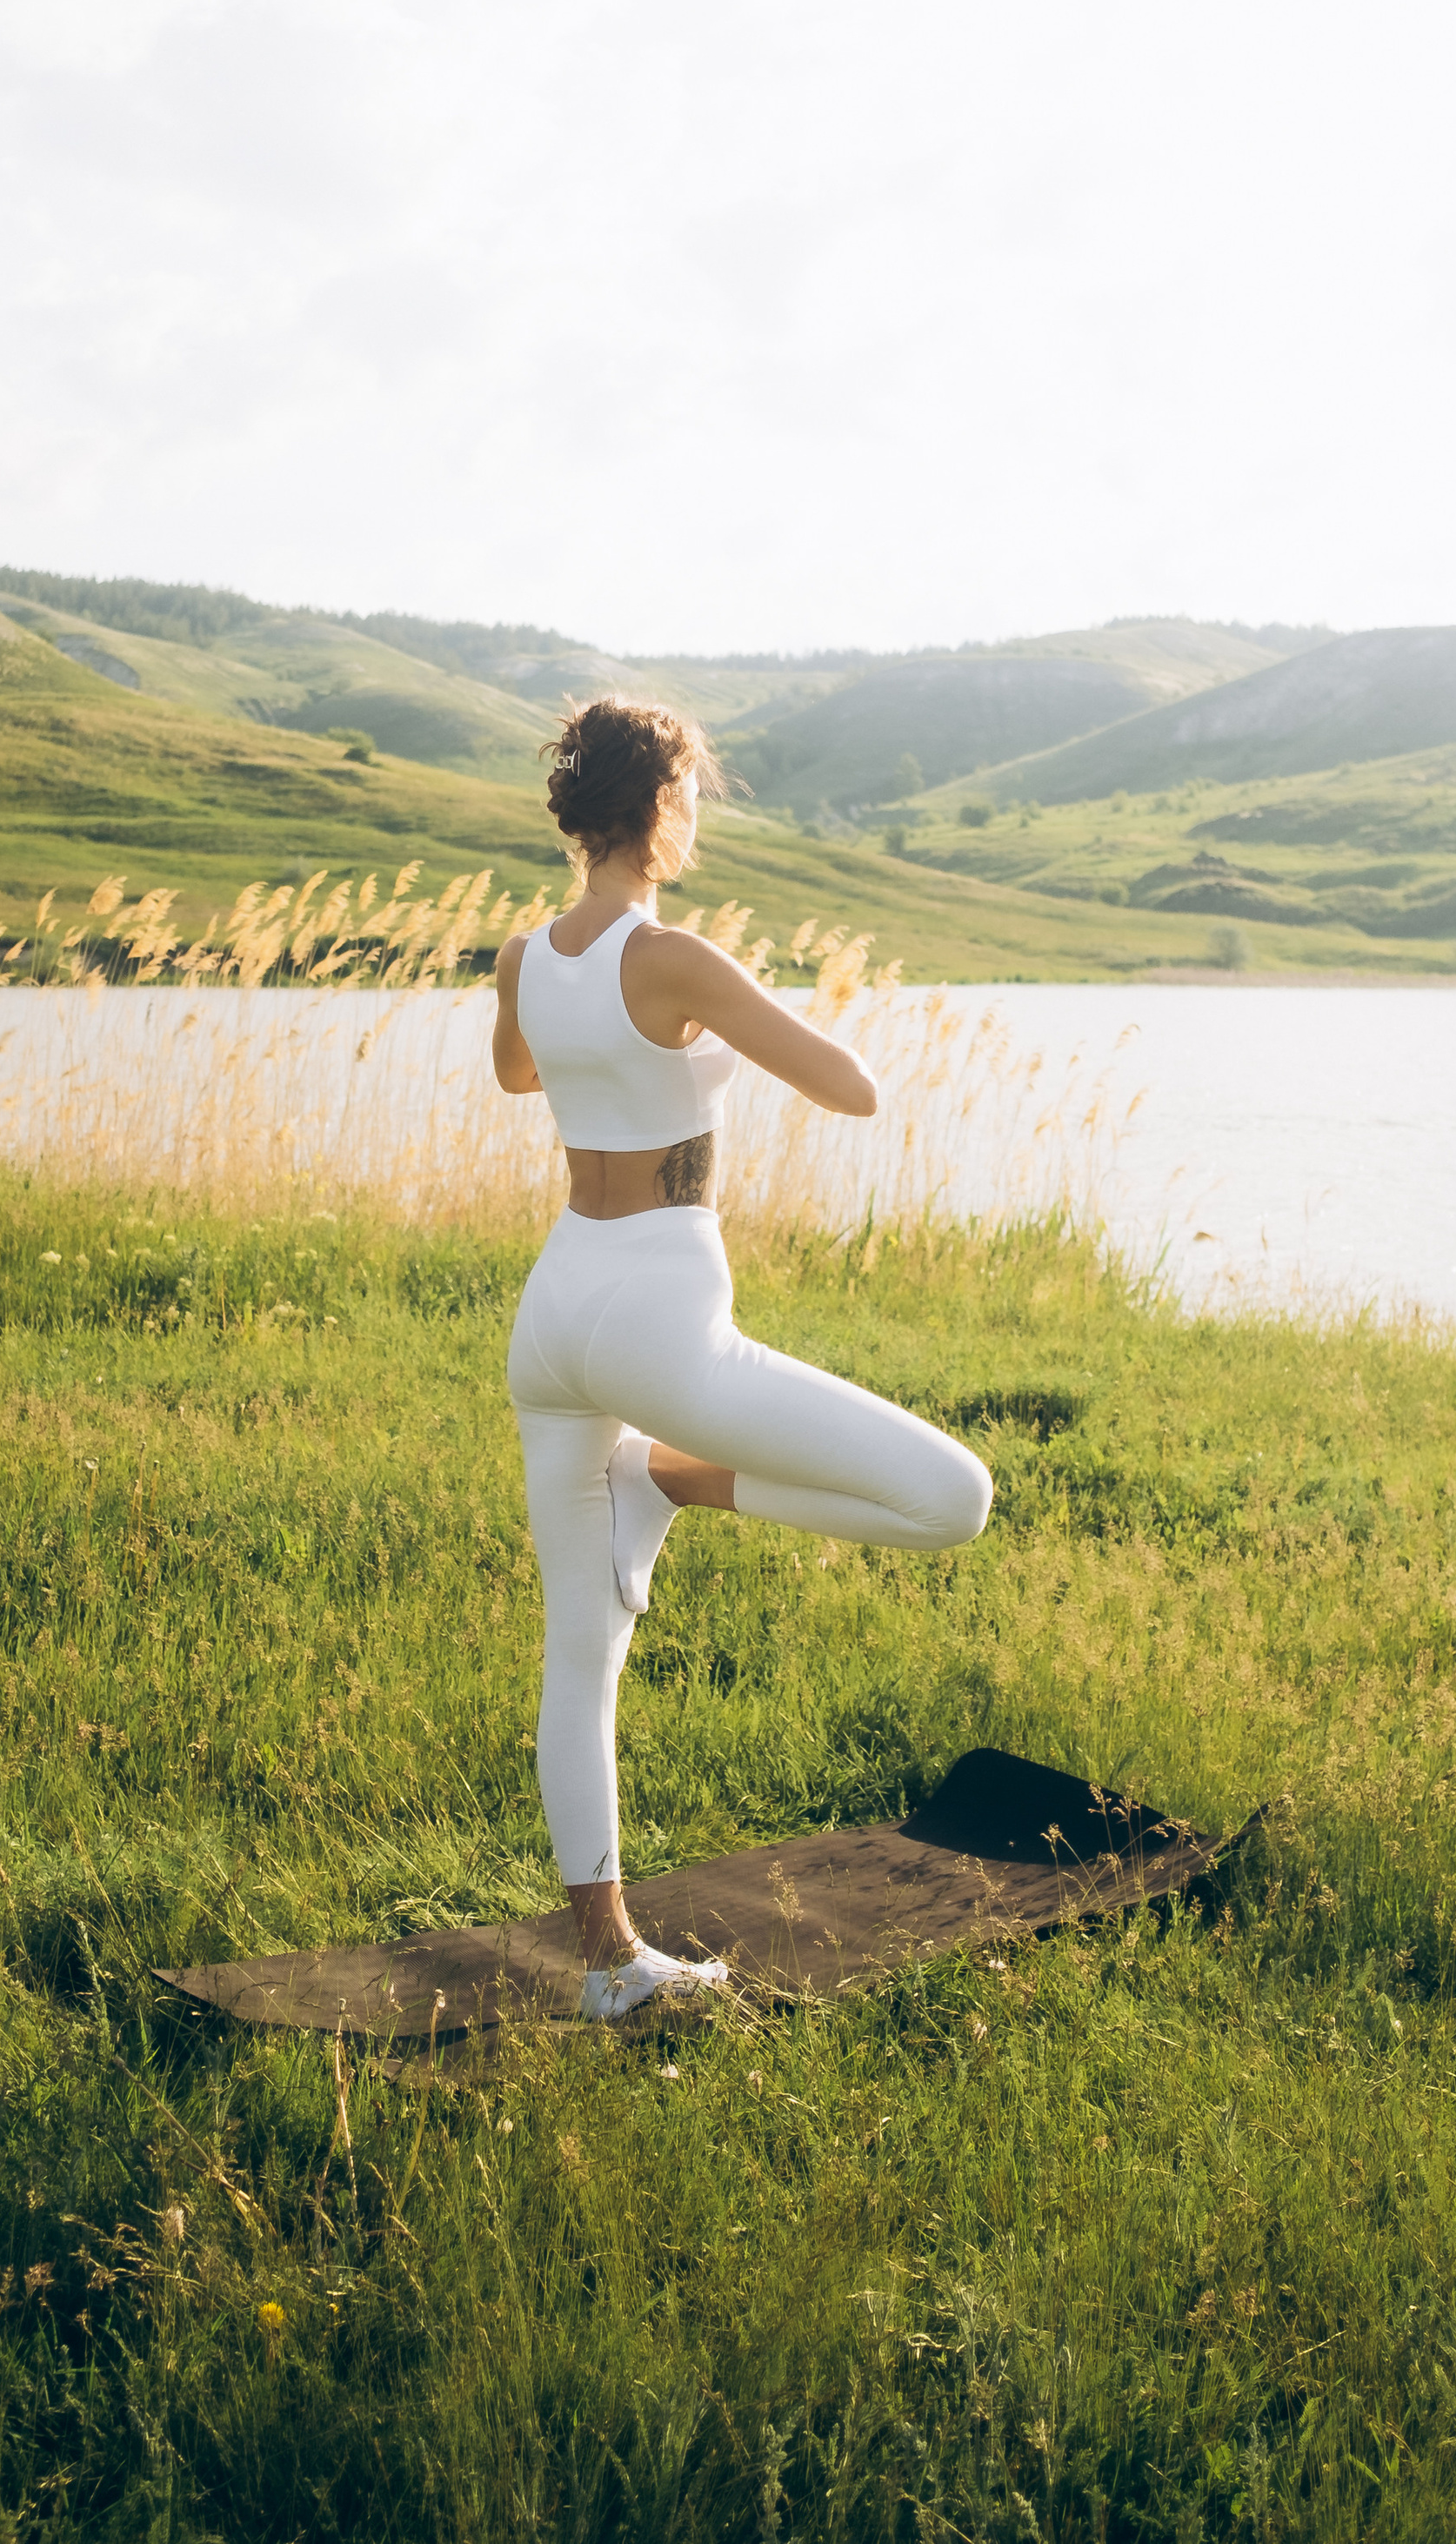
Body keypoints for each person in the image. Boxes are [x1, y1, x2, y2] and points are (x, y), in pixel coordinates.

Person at [491, 695, 994, 2024]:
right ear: (656, 808)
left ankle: (608, 1961)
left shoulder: (520, 956)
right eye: (694, 797)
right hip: (659, 1318)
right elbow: (852, 1086)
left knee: (577, 1652)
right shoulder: (678, 957)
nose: (698, 819)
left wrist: (650, 1055)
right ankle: (677, 1481)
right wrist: (716, 1029)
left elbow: (515, 1075)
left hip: (554, 1313)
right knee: (955, 1501)